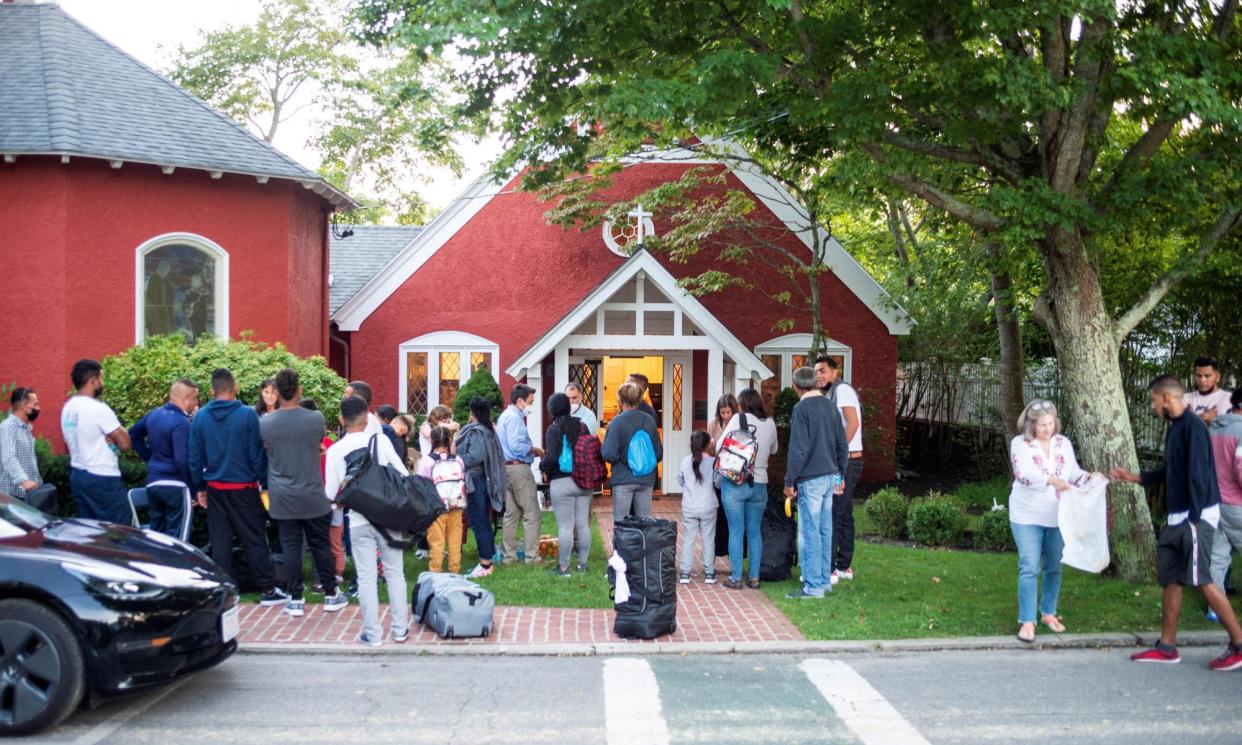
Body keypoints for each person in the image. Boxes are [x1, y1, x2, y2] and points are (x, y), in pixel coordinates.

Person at [1111, 375, 1242, 670]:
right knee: (1171, 578)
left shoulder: (1193, 428)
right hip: (1177, 517)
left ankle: (1238, 644)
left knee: (1203, 580)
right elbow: (1173, 470)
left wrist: (1194, 520)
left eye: (1154, 400)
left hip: (1194, 518)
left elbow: (1199, 475)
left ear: (1167, 398)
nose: (1154, 405)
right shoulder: (1176, 428)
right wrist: (1137, 478)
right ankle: (1167, 647)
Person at [189, 368, 286, 607]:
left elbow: (193, 456)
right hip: (243, 486)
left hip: (214, 487)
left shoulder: (200, 417)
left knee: (219, 541)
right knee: (253, 538)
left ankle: (223, 593)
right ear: (236, 388)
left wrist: (199, 487)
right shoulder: (247, 415)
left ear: (212, 391)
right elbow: (256, 454)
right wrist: (264, 482)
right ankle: (268, 590)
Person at [261, 368, 347, 617]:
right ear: (299, 390)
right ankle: (331, 594)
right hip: (311, 493)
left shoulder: (266, 423)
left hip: (282, 495)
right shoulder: (315, 419)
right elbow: (317, 443)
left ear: (276, 392)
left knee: (290, 547)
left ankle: (295, 598)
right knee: (320, 544)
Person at [1007, 400, 1095, 642]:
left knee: (1054, 566)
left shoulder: (1063, 443)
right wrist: (1050, 480)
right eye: (1042, 425)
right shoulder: (1020, 444)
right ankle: (1027, 620)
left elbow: (1073, 473)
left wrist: (1089, 477)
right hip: (1026, 516)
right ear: (1031, 425)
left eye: (1051, 423)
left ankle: (1048, 612)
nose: (1048, 428)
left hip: (1058, 516)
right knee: (1030, 566)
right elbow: (1023, 474)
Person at [325, 396, 410, 646]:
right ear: (367, 417)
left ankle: (373, 634)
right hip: (388, 517)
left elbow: (331, 493)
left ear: (342, 420)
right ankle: (400, 629)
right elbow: (402, 474)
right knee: (395, 572)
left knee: (366, 577)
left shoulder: (335, 450)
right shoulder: (381, 441)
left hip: (359, 518)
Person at [783, 366, 848, 599]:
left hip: (809, 478)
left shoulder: (801, 408)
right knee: (824, 531)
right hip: (829, 476)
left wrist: (789, 479)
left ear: (795, 385)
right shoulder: (830, 406)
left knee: (810, 532)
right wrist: (840, 476)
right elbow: (842, 444)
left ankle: (813, 587)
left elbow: (798, 448)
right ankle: (823, 581)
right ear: (816, 383)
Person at [714, 388, 778, 590]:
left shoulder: (737, 420)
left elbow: (719, 448)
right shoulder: (769, 422)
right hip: (759, 482)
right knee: (754, 532)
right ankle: (754, 577)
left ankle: (735, 577)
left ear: (742, 404)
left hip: (736, 481)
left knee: (736, 530)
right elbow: (775, 449)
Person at [61, 359, 132, 523]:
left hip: (78, 475)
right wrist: (112, 437)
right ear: (93, 381)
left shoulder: (68, 408)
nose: (102, 383)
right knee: (119, 532)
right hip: (103, 477)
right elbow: (126, 443)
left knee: (91, 532)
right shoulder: (97, 408)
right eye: (101, 378)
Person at [128, 379, 198, 539]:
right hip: (176, 487)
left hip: (153, 484)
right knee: (178, 542)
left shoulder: (154, 414)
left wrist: (150, 457)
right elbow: (182, 460)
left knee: (157, 540)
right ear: (185, 399)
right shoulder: (182, 423)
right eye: (194, 398)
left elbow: (133, 434)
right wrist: (194, 490)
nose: (195, 403)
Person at [815, 356, 864, 584]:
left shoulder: (842, 391)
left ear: (836, 372)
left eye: (823, 371)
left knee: (835, 511)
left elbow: (852, 424)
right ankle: (844, 565)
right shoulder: (833, 392)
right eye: (816, 372)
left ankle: (832, 568)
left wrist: (837, 456)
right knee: (844, 513)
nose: (819, 376)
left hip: (846, 462)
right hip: (847, 461)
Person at [540, 392, 593, 576]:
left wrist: (542, 466)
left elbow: (552, 457)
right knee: (583, 525)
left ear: (552, 409)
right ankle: (583, 565)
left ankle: (564, 567)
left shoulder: (554, 428)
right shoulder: (582, 426)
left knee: (565, 526)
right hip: (584, 481)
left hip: (562, 481)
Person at [455, 396, 507, 578]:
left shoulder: (477, 432)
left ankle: (486, 565)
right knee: (483, 522)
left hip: (476, 483)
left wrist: (457, 460)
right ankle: (488, 559)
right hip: (483, 481)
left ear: (472, 412)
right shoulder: (488, 430)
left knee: (478, 523)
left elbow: (475, 457)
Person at [496, 384, 545, 564]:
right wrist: (534, 449)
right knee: (532, 513)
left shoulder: (504, 416)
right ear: (520, 401)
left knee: (511, 514)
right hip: (518, 469)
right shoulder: (515, 418)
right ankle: (532, 557)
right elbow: (517, 446)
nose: (531, 406)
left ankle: (510, 556)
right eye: (530, 402)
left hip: (505, 469)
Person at [601, 382, 663, 520]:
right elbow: (658, 454)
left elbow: (608, 454)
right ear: (639, 399)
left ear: (620, 400)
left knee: (622, 523)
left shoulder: (617, 422)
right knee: (644, 521)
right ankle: (642, 542)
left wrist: (624, 460)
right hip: (646, 479)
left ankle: (624, 543)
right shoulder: (650, 421)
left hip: (623, 479)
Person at [302, 398, 346, 585]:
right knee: (327, 539)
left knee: (314, 540)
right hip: (329, 495)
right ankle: (330, 576)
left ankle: (323, 578)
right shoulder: (329, 444)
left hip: (313, 495)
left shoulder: (322, 444)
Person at [1207, 389, 1242, 608]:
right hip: (1237, 505)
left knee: (1217, 557)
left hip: (1213, 503)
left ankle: (1215, 608)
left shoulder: (1213, 429)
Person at [418, 425, 467, 574]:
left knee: (436, 542)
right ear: (449, 440)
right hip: (456, 505)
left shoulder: (427, 461)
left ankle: (435, 572)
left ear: (432, 440)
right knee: (454, 541)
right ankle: (454, 570)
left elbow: (421, 484)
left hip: (436, 507)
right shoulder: (457, 459)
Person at [678, 430, 717, 584]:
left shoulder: (685, 461)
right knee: (708, 539)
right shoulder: (713, 462)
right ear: (708, 445)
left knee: (688, 539)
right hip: (708, 506)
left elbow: (680, 481)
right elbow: (718, 481)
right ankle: (709, 573)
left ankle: (685, 573)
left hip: (690, 506)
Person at [0, 387, 42, 501]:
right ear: (23, 405)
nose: (38, 408)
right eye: (35, 404)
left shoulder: (25, 428)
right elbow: (8, 458)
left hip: (27, 494)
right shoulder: (8, 427)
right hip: (12, 497)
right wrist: (24, 481)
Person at [1184, 357, 1233, 424]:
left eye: (1207, 376)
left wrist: (1191, 419)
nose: (1202, 380)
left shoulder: (1229, 399)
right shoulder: (1185, 399)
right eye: (1199, 376)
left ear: (1217, 377)